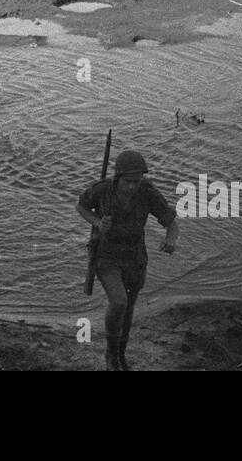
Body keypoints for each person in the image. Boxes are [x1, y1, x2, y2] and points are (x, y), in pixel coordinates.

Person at [75, 149, 179, 371]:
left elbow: (171, 221)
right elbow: (81, 206)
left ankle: (121, 354)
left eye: (137, 181)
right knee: (119, 301)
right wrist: (96, 222)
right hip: (106, 256)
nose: (132, 186)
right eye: (128, 182)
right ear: (117, 178)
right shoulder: (102, 190)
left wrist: (170, 239)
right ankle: (111, 355)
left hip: (135, 257)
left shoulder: (147, 192)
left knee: (129, 306)